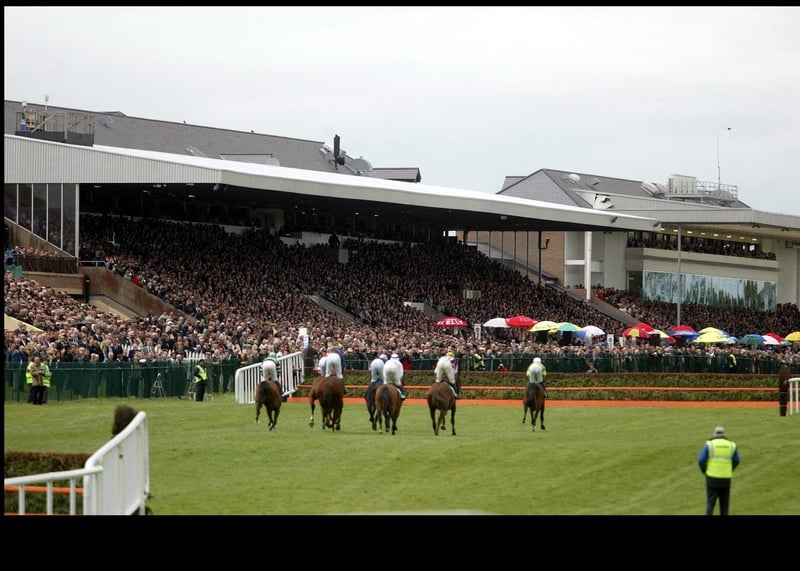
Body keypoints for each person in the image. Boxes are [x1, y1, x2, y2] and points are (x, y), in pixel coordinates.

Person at [697, 426, 740, 516]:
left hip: (712, 478)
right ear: (724, 434)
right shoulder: (731, 445)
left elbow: (701, 460)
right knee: (724, 505)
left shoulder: (710, 445)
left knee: (710, 503)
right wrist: (729, 469)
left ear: (714, 434)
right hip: (726, 478)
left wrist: (705, 471)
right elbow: (737, 460)